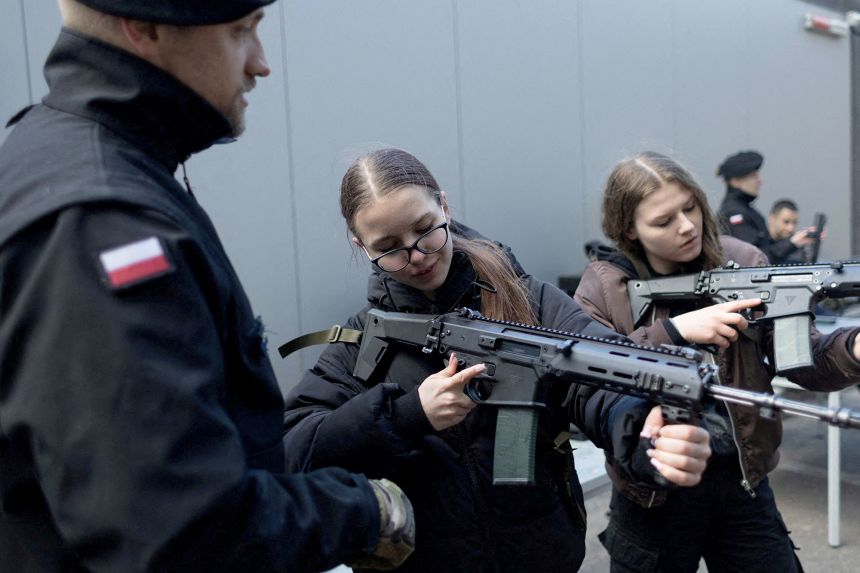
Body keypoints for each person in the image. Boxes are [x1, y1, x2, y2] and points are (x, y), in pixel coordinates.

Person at [0, 1, 414, 571]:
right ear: (145, 27)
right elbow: (179, 528)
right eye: (241, 32)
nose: (260, 63)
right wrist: (362, 511)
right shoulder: (103, 223)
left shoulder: (57, 153)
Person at [281, 147, 711, 572]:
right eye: (389, 248)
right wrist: (408, 415)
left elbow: (597, 379)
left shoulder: (529, 300)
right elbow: (293, 450)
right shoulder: (362, 342)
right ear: (360, 244)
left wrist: (642, 432)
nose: (417, 257)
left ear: (444, 205)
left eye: (425, 229)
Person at [575, 151, 860, 572]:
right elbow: (587, 381)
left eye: (690, 207)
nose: (687, 226)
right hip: (652, 492)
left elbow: (801, 361)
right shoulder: (606, 287)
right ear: (629, 230)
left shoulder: (744, 260)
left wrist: (853, 348)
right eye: (663, 221)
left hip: (741, 479)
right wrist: (676, 331)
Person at [716, 150, 818, 264]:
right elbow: (755, 260)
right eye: (753, 176)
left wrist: (799, 238)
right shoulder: (735, 214)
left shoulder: (746, 211)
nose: (760, 181)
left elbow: (765, 248)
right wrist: (792, 243)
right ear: (735, 182)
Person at [767, 199, 821, 264]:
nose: (791, 228)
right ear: (772, 219)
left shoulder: (796, 249)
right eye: (786, 222)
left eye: (794, 223)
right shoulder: (759, 244)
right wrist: (792, 243)